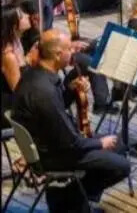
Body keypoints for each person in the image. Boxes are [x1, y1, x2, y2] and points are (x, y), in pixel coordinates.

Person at [13, 29, 129, 211]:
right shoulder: (45, 93)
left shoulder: (33, 75)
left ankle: (79, 199)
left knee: (119, 145)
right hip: (54, 155)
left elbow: (56, 111)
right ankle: (69, 199)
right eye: (69, 48)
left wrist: (70, 89)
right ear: (58, 55)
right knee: (121, 165)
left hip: (49, 144)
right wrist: (99, 143)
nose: (73, 51)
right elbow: (72, 143)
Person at [18, 0, 112, 112]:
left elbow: (47, 10)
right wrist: (68, 46)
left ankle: (99, 99)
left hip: (50, 43)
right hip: (42, 53)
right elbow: (39, 41)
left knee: (95, 46)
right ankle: (91, 103)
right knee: (89, 62)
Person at [1, 5, 31, 128]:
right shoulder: (9, 56)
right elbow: (18, 91)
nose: (27, 15)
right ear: (14, 27)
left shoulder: (17, 42)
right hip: (10, 109)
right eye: (22, 16)